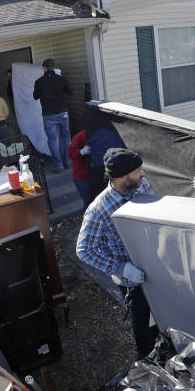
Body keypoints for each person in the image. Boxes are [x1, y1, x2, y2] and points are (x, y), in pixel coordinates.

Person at [76, 148, 157, 357]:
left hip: (153, 267)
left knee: (158, 314)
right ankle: (147, 360)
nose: (143, 174)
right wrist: (121, 269)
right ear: (122, 176)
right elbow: (84, 250)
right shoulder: (99, 210)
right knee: (141, 319)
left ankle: (163, 349)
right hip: (130, 277)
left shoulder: (142, 186)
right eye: (138, 170)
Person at [33, 58, 73, 173]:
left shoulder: (39, 82)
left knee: (53, 140)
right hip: (62, 112)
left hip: (48, 115)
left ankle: (58, 165)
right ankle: (68, 161)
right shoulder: (61, 79)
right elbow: (70, 91)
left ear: (44, 68)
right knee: (66, 137)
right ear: (54, 67)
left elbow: (35, 97)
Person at [68, 130, 92, 211]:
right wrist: (81, 152)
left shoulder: (101, 133)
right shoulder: (80, 136)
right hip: (83, 176)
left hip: (97, 174)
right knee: (89, 203)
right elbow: (71, 153)